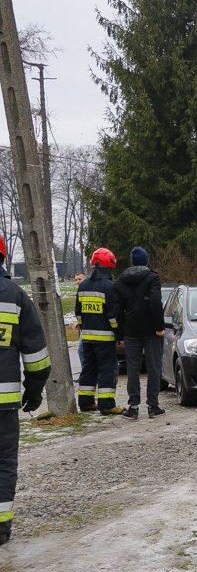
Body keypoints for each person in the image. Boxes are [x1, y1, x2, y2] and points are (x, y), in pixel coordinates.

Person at [0, 233, 51, 546]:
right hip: (3, 408)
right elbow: (37, 358)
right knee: (4, 464)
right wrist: (34, 392)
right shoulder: (16, 296)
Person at [113, 247, 165, 420]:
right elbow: (156, 303)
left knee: (132, 369)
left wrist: (119, 335)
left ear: (133, 261)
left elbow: (117, 309)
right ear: (146, 260)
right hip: (151, 329)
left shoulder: (121, 280)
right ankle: (153, 406)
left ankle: (133, 406)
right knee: (154, 367)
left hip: (130, 330)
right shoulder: (152, 277)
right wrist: (159, 326)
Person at [75, 247, 124, 414]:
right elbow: (113, 317)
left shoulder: (83, 286)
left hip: (87, 337)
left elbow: (78, 313)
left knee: (88, 369)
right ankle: (107, 405)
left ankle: (86, 402)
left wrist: (84, 328)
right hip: (105, 339)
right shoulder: (110, 286)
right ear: (108, 266)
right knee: (107, 370)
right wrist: (119, 335)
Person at [73, 272, 86, 370]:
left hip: (89, 327)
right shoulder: (80, 292)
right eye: (76, 280)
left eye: (79, 279)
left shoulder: (86, 292)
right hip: (85, 326)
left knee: (81, 350)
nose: (77, 281)